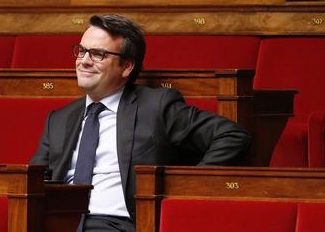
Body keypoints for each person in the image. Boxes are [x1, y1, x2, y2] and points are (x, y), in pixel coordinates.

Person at [30, 14, 251, 231]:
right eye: (81, 51)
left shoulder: (157, 106)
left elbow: (232, 136)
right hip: (57, 223)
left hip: (116, 223)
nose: (84, 61)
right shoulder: (59, 119)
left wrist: (184, 188)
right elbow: (35, 179)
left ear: (126, 66)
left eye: (97, 54)